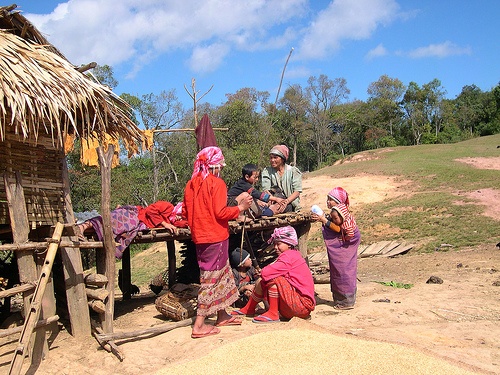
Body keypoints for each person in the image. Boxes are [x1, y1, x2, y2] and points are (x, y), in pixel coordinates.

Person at [182, 146, 253, 339]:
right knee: (210, 280)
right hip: (215, 237)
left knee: (222, 275)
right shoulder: (217, 184)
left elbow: (186, 213)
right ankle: (199, 324)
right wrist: (240, 207)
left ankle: (222, 314)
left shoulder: (190, 185)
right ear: (216, 165)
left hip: (201, 238)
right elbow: (220, 213)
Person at [231, 226, 315, 323]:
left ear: (289, 244)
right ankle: (249, 308)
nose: (275, 247)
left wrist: (262, 272)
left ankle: (273, 313)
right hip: (300, 306)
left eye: (278, 244)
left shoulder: (288, 257)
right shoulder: (293, 255)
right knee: (263, 279)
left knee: (274, 279)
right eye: (274, 244)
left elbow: (268, 272)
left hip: (301, 305)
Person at [77, 200, 182, 259]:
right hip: (136, 214)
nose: (179, 217)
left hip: (141, 224)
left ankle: (86, 228)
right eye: (180, 214)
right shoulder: (168, 206)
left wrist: (172, 224)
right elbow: (150, 210)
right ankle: (83, 226)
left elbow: (182, 224)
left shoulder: (174, 221)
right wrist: (165, 224)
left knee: (122, 229)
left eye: (182, 217)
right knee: (113, 220)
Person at [311, 187, 361, 310]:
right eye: (327, 199)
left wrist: (323, 220)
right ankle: (343, 300)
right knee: (341, 269)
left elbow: (338, 230)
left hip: (346, 245)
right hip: (346, 243)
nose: (328, 201)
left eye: (331, 199)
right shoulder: (338, 213)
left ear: (339, 202)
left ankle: (345, 301)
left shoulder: (340, 215)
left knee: (343, 269)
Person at [261, 145, 302, 213]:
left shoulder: (293, 171)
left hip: (290, 203)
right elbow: (266, 190)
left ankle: (269, 212)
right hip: (273, 200)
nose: (272, 160)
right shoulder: (266, 171)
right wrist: (275, 199)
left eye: (275, 158)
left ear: (282, 159)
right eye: (271, 158)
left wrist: (286, 201)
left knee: (282, 205)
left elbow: (297, 191)